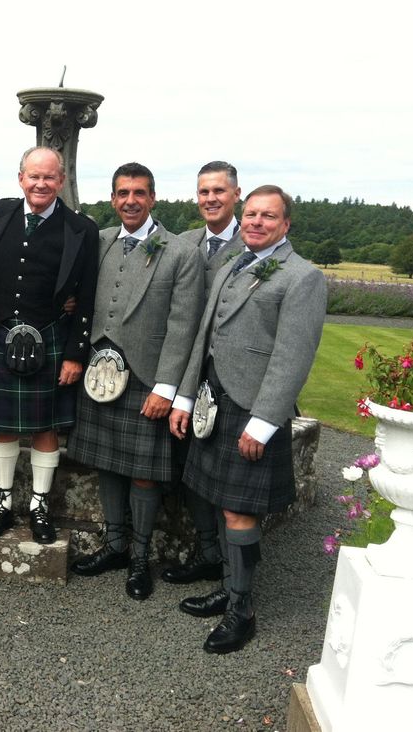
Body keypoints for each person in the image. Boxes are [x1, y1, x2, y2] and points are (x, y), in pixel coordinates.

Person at [169, 185, 327, 654]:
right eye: (252, 214)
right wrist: (184, 397)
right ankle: (227, 586)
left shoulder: (302, 277)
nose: (257, 222)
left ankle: (243, 610)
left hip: (252, 408)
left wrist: (263, 423)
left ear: (286, 224)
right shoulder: (232, 265)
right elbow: (203, 338)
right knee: (217, 499)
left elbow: (293, 358)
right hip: (213, 400)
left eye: (268, 216)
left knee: (239, 509)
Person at [68, 163, 203, 600]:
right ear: (113, 199)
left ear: (152, 198)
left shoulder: (180, 252)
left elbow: (183, 326)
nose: (131, 200)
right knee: (107, 463)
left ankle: (140, 557)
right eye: (123, 193)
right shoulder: (100, 241)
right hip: (98, 374)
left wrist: (166, 388)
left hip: (147, 379)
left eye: (139, 193)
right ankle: (115, 547)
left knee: (144, 474)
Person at [0, 146, 98, 544]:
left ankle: (39, 507)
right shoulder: (0, 213)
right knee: (2, 426)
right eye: (34, 176)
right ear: (21, 179)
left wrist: (75, 354)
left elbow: (87, 296)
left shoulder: (80, 229)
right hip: (2, 332)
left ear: (61, 181)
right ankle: (2, 504)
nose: (41, 183)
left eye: (49, 177)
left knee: (47, 426)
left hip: (51, 336)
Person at [161, 161, 244, 586]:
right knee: (190, 468)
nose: (210, 199)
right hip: (186, 373)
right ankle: (208, 553)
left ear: (236, 195)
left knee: (228, 478)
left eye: (218, 191)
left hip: (232, 378)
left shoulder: (254, 245)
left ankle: (234, 573)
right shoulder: (184, 243)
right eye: (204, 192)